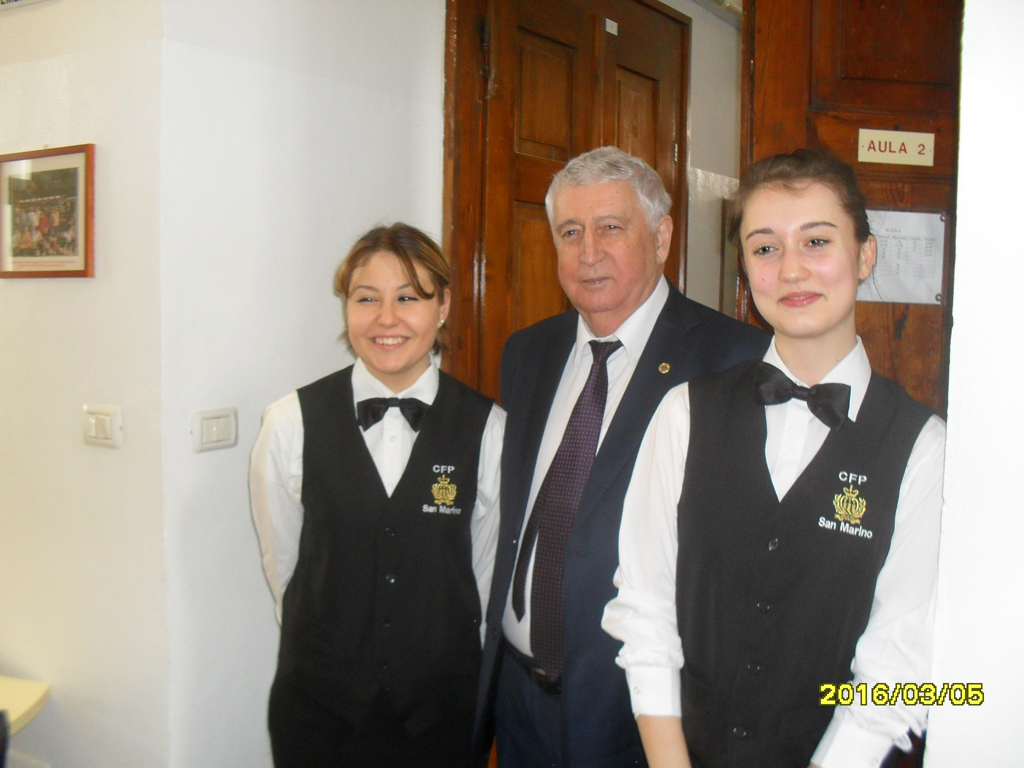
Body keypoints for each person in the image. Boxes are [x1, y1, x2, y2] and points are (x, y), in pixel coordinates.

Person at [602, 149, 945, 768]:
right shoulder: (684, 412)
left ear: (865, 255)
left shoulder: (923, 446)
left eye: (817, 241)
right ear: (745, 270)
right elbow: (645, 609)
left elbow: (900, 667)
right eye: (765, 248)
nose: (791, 269)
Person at [472, 147, 769, 767]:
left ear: (661, 237)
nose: (588, 253)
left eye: (610, 227)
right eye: (570, 232)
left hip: (640, 717)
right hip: (518, 703)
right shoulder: (527, 353)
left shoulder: (736, 361)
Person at [249, 223, 505, 768]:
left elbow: (483, 580)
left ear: (442, 307)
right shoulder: (289, 422)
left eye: (408, 298)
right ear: (347, 309)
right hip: (319, 713)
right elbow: (284, 566)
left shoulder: (489, 428)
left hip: (442, 716)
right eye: (367, 299)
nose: (387, 318)